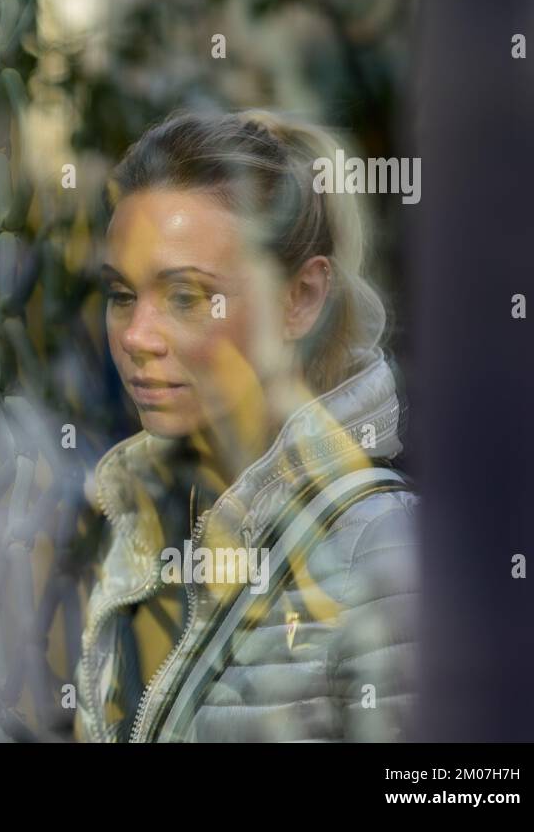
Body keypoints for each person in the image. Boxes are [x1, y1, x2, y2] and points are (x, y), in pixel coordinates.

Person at [75, 110, 419, 742]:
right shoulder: (142, 518)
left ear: (301, 299)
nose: (135, 336)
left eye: (186, 298)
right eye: (122, 295)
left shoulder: (381, 551)